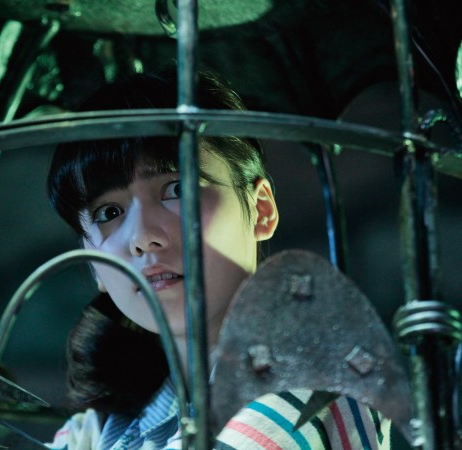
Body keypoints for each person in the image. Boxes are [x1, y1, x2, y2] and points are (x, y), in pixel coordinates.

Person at [45, 68, 391, 449]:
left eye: (176, 188)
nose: (142, 238)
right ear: (92, 262)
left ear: (260, 210)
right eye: (108, 212)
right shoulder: (115, 423)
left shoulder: (307, 386)